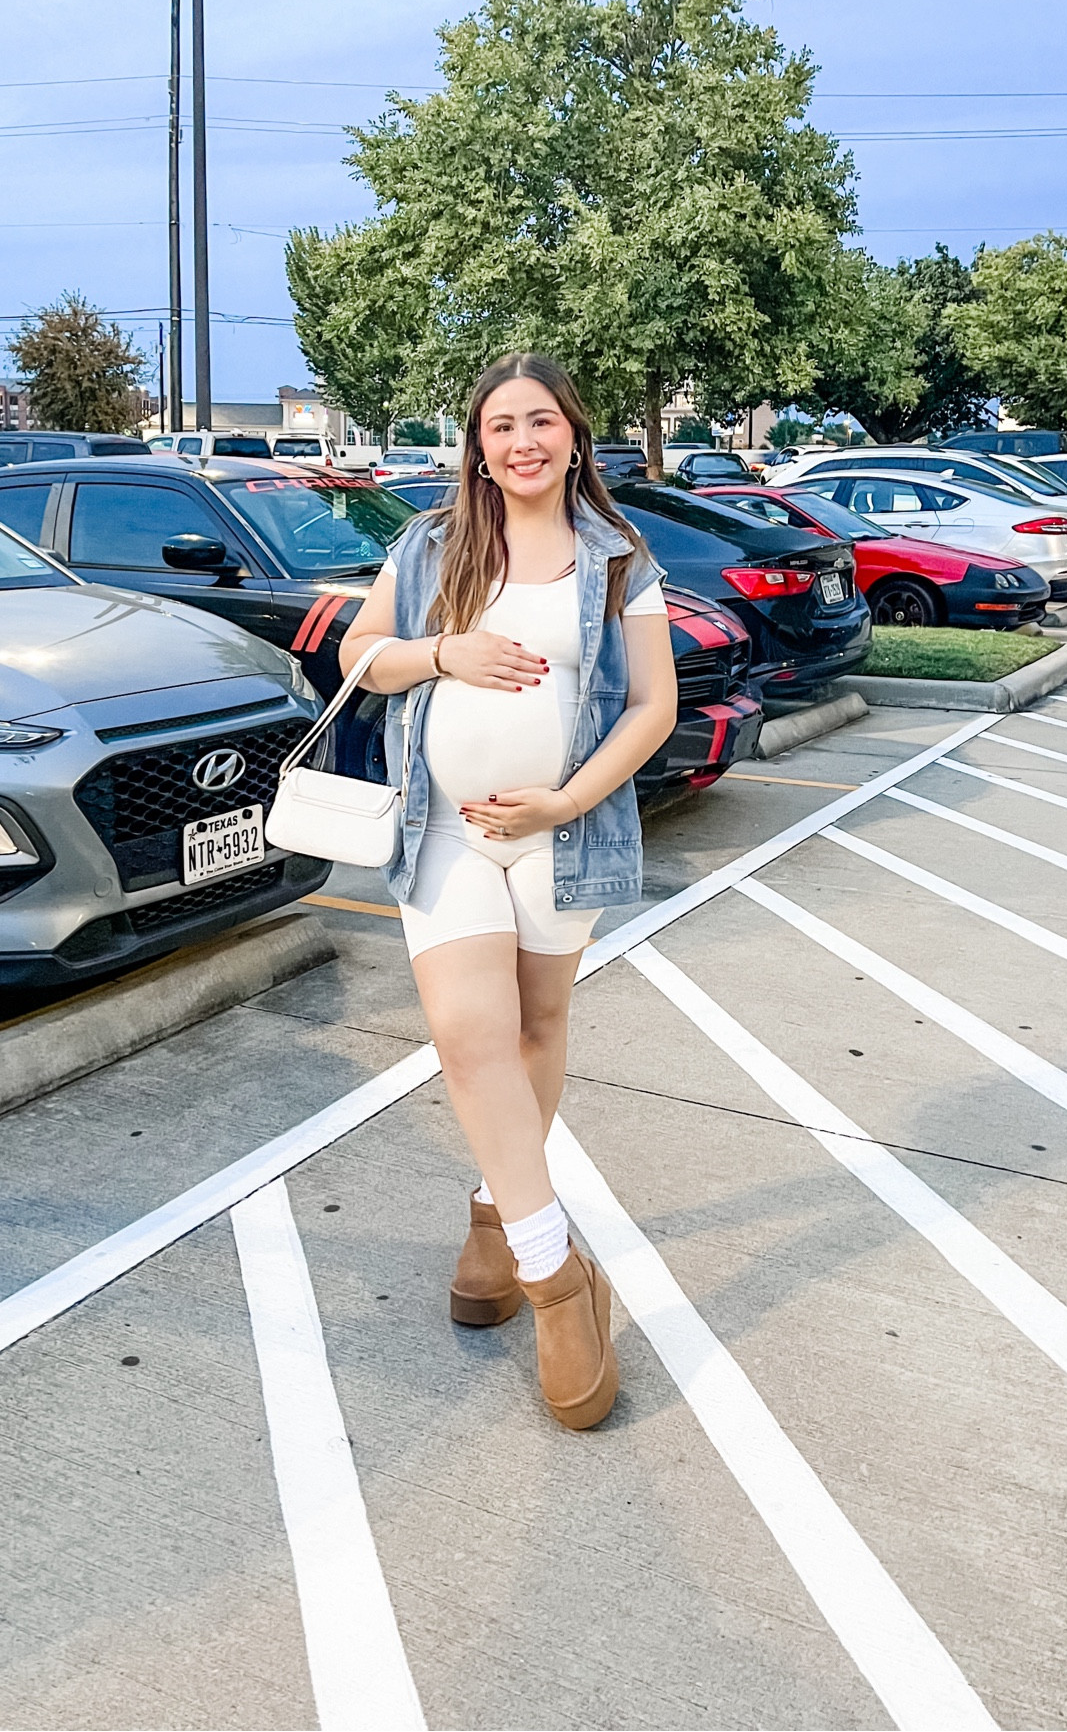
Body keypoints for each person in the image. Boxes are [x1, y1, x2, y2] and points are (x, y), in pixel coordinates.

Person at [341, 353, 677, 1429]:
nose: (521, 440)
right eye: (499, 425)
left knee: (536, 1025)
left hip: (557, 837)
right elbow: (359, 659)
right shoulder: (432, 544)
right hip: (441, 829)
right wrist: (445, 652)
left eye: (540, 421)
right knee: (467, 1033)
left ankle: (494, 1216)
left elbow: (653, 708)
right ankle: (555, 1278)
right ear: (476, 446)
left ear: (574, 435)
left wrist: (563, 802)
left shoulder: (616, 556)